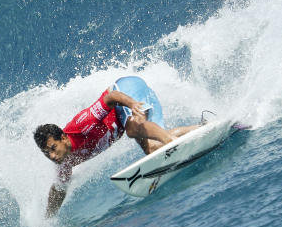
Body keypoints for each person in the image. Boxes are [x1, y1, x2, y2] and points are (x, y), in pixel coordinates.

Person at [33, 75, 199, 216]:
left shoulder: (81, 125)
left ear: (63, 138)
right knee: (152, 148)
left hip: (125, 91)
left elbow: (111, 97)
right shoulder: (65, 163)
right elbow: (59, 188)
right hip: (124, 113)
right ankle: (199, 129)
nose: (52, 156)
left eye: (53, 148)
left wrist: (132, 104)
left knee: (132, 129)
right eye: (46, 153)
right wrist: (48, 218)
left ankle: (171, 141)